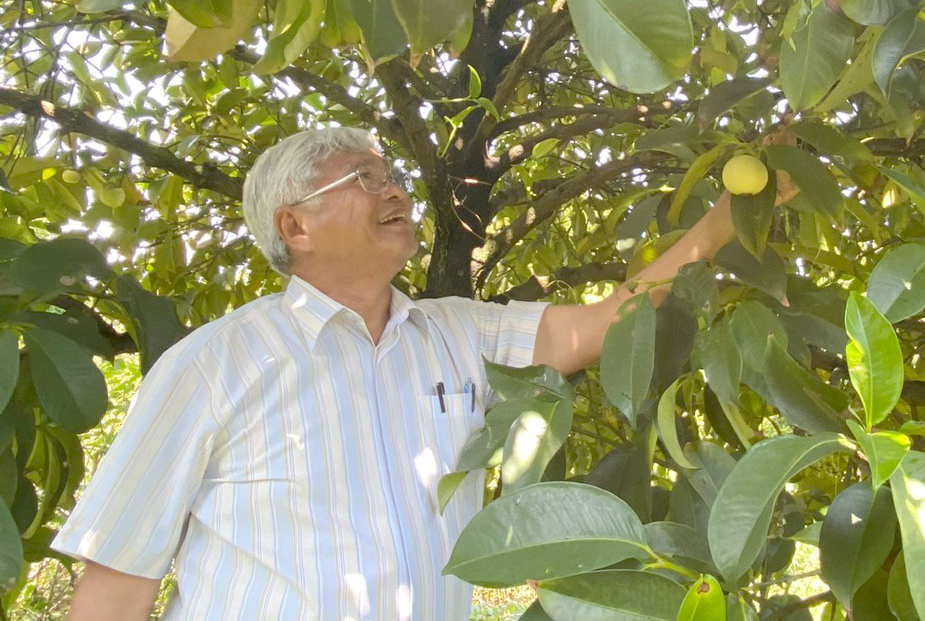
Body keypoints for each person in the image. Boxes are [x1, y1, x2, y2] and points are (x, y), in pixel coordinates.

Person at [53, 126, 793, 620]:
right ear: (295, 227)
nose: (394, 190)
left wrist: (720, 224)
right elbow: (119, 576)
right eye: (362, 179)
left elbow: (601, 326)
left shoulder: (458, 333)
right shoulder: (212, 366)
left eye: (392, 174)